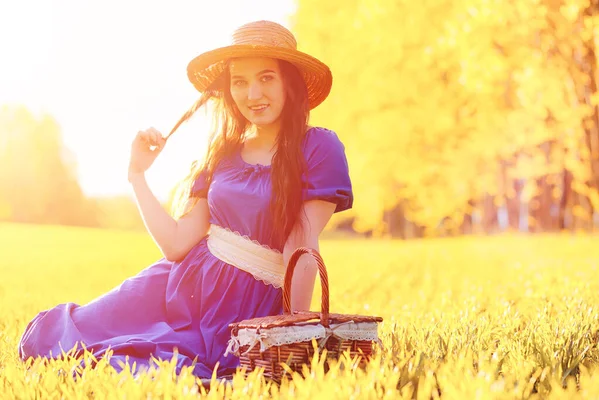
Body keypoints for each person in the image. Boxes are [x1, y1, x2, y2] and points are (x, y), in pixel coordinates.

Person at [18, 20, 353, 379]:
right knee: (66, 338)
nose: (252, 94)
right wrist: (137, 176)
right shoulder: (221, 155)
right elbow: (177, 244)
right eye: (239, 81)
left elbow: (302, 244)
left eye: (266, 77)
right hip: (180, 285)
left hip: (248, 303)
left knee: (182, 368)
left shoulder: (318, 146)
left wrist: (292, 330)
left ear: (289, 81)